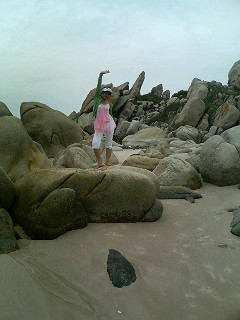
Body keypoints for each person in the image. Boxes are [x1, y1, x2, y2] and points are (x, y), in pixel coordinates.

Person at [92, 70, 116, 169]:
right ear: (101, 93)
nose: (106, 94)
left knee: (109, 144)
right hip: (99, 124)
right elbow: (98, 87)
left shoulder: (110, 104)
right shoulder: (97, 99)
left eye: (108, 94)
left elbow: (110, 114)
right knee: (95, 144)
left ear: (110, 96)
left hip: (109, 124)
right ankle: (99, 162)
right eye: (104, 93)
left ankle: (107, 161)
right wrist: (101, 75)